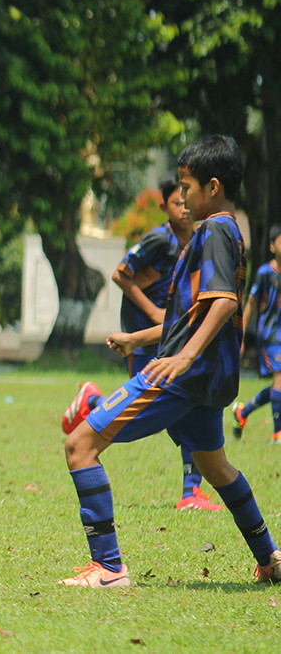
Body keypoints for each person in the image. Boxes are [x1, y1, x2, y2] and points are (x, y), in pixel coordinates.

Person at [59, 134, 281, 588]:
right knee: (217, 468)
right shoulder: (226, 230)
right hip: (207, 380)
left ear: (212, 187)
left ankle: (108, 568)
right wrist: (137, 336)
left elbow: (222, 304)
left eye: (187, 186)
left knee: (79, 446)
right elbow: (191, 314)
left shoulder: (216, 230)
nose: (180, 196)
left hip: (184, 376)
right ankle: (270, 557)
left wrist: (182, 357)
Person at [62, 175, 222, 511]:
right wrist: (152, 313)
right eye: (177, 202)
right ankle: (92, 403)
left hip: (172, 338)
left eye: (186, 200)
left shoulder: (195, 242)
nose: (184, 208)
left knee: (185, 408)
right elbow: (121, 273)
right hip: (143, 337)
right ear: (165, 206)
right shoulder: (158, 240)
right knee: (148, 411)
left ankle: (190, 492)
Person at [231, 224, 281, 444]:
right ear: (272, 246)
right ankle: (278, 433)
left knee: (279, 386)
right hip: (270, 336)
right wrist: (240, 335)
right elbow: (249, 305)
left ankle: (244, 411)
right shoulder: (264, 274)